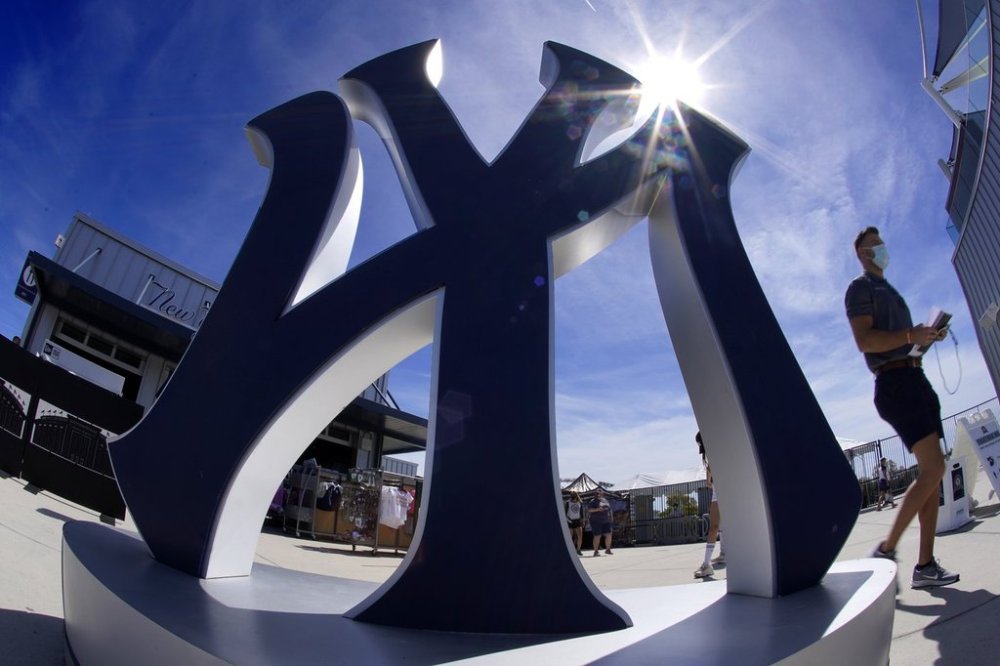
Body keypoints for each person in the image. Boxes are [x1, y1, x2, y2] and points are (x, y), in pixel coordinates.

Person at [845, 226, 958, 589]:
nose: (881, 248)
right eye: (874, 244)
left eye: (881, 242)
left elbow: (903, 344)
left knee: (932, 472)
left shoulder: (891, 291)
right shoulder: (860, 288)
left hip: (915, 377)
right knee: (935, 466)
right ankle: (886, 550)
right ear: (862, 253)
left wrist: (925, 339)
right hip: (895, 384)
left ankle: (925, 565)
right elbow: (865, 341)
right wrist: (910, 334)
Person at [694, 431, 724, 578]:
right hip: (717, 491)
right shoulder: (710, 455)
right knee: (714, 528)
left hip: (728, 489)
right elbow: (709, 474)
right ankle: (707, 565)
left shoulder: (722, 448)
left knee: (727, 527)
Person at [587, 488, 613, 556]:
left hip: (606, 520)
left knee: (609, 534)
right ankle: (596, 551)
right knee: (597, 536)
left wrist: (610, 517)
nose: (598, 494)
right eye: (596, 493)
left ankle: (608, 549)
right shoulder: (592, 501)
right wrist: (597, 509)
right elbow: (589, 510)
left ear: (602, 494)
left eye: (599, 493)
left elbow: (609, 509)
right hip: (596, 521)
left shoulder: (605, 500)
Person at [566, 491, 584, 555]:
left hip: (577, 521)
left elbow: (581, 513)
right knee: (570, 536)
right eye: (572, 495)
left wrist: (583, 520)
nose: (573, 496)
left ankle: (578, 549)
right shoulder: (568, 502)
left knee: (580, 536)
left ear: (576, 495)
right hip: (570, 520)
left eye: (574, 495)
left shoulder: (580, 502)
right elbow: (565, 512)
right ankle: (570, 550)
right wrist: (567, 520)